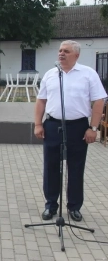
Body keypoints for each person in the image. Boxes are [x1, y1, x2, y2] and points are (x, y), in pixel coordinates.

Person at [34, 40, 107, 222]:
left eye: (66, 51)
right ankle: (51, 205)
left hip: (78, 127)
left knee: (75, 167)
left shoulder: (88, 74)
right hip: (52, 125)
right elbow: (41, 100)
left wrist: (93, 127)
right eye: (60, 50)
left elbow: (99, 101)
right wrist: (38, 124)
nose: (61, 54)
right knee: (51, 167)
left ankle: (74, 206)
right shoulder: (51, 74)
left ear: (76, 55)